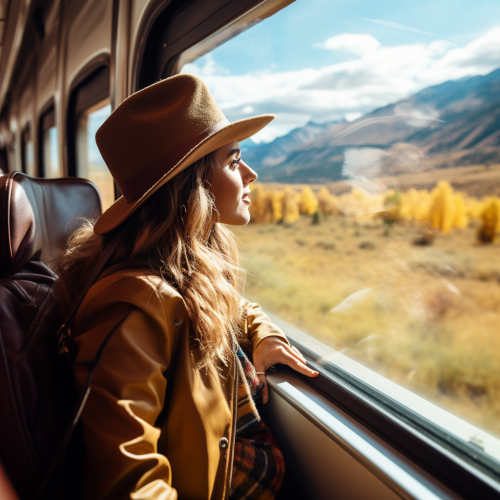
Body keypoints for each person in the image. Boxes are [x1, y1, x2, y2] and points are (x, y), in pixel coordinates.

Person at [56, 74, 318, 500]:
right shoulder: (134, 306)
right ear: (194, 185)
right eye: (233, 161)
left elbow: (236, 304)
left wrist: (264, 335)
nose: (251, 174)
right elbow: (129, 483)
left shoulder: (190, 267)